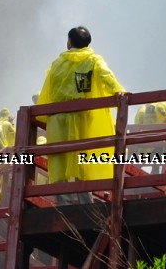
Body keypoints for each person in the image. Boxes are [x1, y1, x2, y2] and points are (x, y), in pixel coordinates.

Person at [36, 25, 126, 187]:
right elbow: (106, 76)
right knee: (82, 157)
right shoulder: (93, 60)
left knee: (59, 158)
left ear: (69, 42)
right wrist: (119, 91)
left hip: (58, 119)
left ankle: (61, 199)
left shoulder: (57, 63)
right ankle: (84, 198)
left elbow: (47, 91)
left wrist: (41, 115)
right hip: (82, 117)